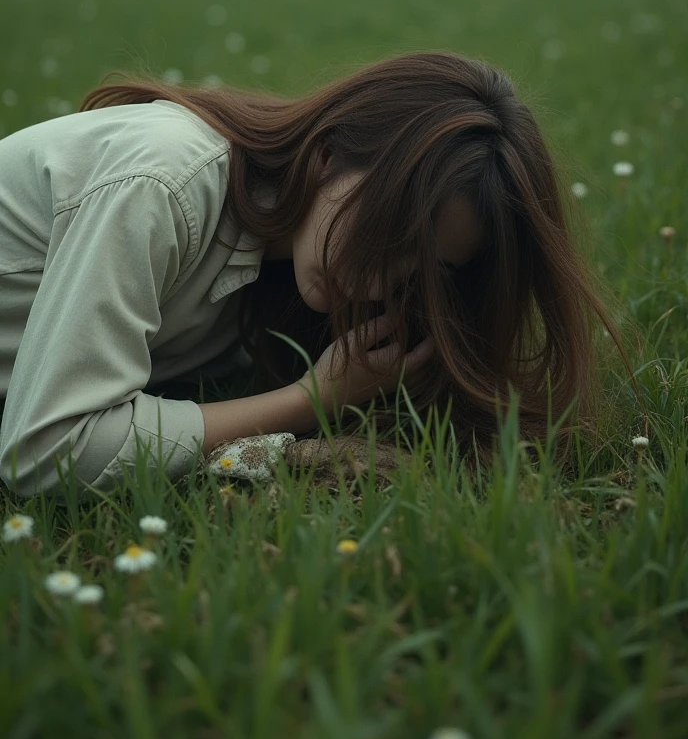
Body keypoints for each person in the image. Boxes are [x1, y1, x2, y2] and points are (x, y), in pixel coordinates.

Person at [0, 51, 634, 499]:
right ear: (329, 152)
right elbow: (49, 451)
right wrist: (310, 401)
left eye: (426, 270)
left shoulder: (280, 259)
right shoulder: (166, 181)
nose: (375, 287)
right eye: (386, 232)